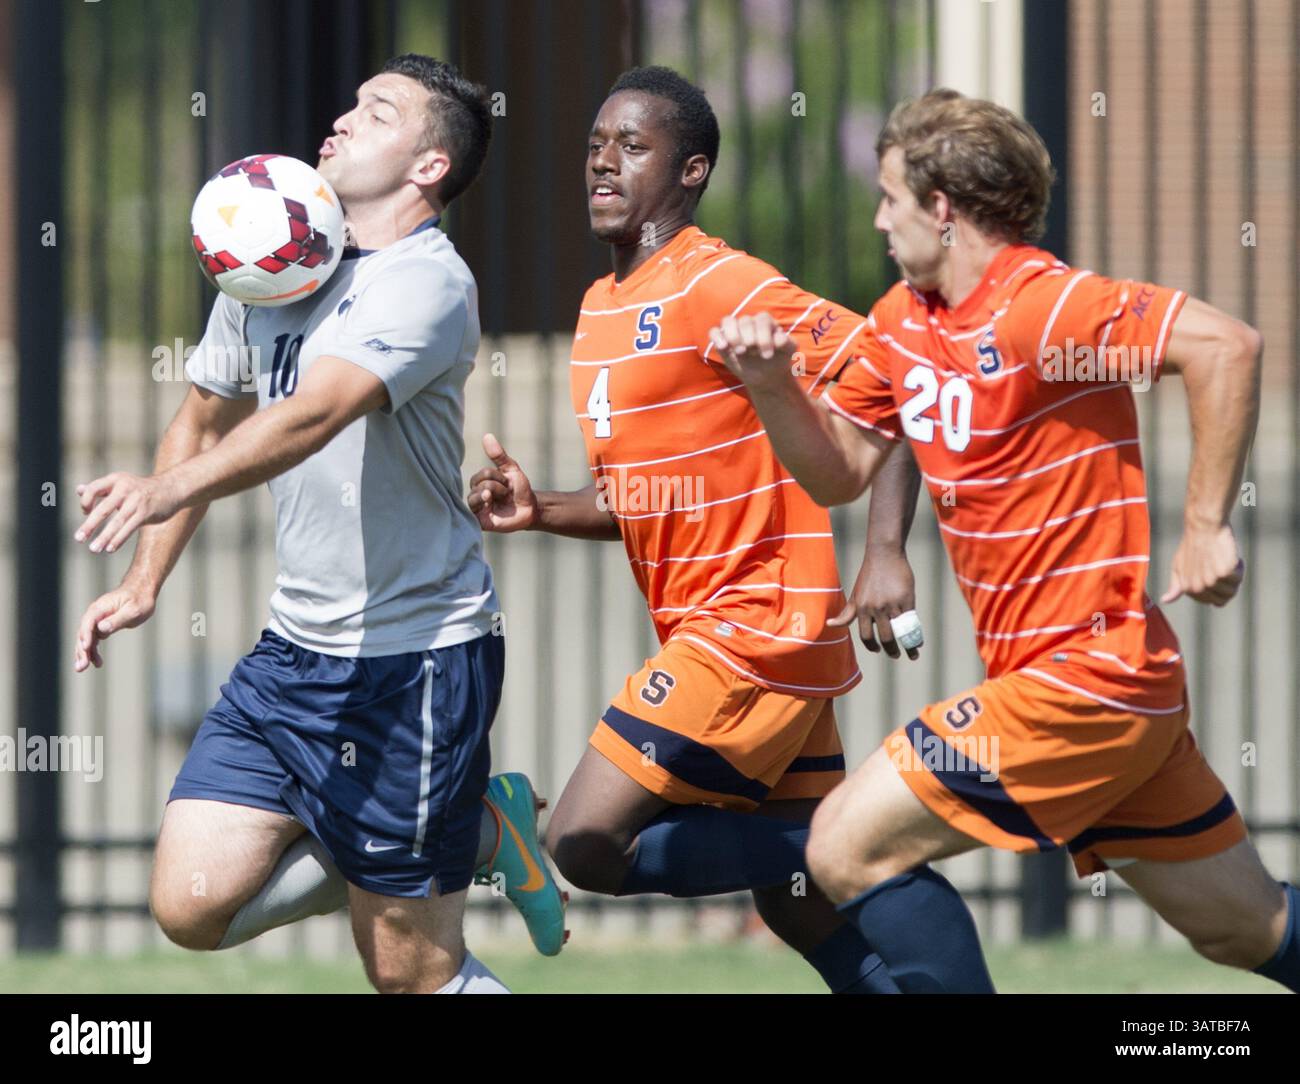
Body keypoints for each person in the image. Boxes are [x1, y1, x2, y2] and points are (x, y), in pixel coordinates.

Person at [710, 88, 1299, 994]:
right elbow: (837, 473)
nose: (878, 218)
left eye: (890, 197)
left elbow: (1228, 346)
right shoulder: (902, 323)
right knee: (1244, 929)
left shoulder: (1044, 306)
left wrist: (1208, 525)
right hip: (1081, 697)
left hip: (1088, 683)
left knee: (841, 846)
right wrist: (769, 385)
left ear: (941, 210)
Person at [72, 54, 565, 994]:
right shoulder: (275, 258)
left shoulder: (428, 281)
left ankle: (454, 826)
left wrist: (168, 492)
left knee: (409, 975)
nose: (339, 122)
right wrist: (143, 582)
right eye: (348, 104)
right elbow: (202, 415)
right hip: (293, 653)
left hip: (411, 665)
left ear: (428, 167)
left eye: (375, 113)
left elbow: (317, 411)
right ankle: (479, 823)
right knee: (190, 904)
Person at [469, 66, 919, 994]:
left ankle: (872, 831)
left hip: (758, 623)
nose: (603, 162)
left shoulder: (721, 284)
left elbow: (896, 374)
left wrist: (884, 549)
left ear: (691, 172)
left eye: (633, 146)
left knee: (583, 841)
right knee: (794, 898)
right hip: (715, 627)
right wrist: (543, 507)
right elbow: (648, 495)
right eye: (596, 145)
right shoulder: (600, 308)